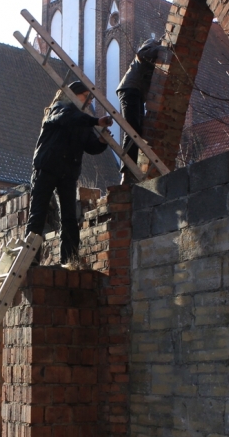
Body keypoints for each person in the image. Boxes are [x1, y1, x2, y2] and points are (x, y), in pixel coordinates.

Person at [26, 80, 113, 267]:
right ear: (73, 94)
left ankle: (69, 260)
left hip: (68, 173)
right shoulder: (59, 108)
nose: (89, 101)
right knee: (38, 215)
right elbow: (69, 118)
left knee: (69, 218)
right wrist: (95, 121)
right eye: (85, 96)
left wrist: (102, 142)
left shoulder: (81, 119)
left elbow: (90, 146)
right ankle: (30, 261)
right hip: (48, 168)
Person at [116, 38, 164, 184]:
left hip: (136, 93)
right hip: (130, 89)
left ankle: (135, 171)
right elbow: (141, 54)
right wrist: (163, 48)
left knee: (139, 132)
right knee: (132, 131)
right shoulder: (154, 43)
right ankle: (126, 173)